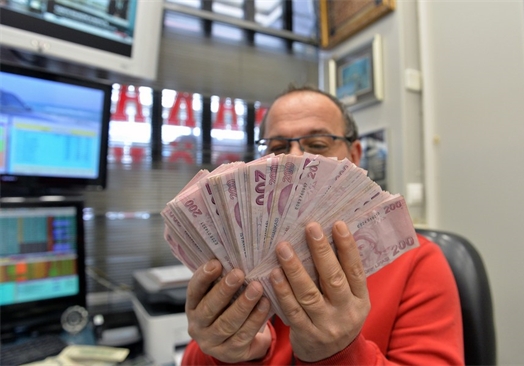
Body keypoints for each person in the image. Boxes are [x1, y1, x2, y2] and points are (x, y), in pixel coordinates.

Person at [181, 85, 464, 365]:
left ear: (354, 156)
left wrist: (339, 352)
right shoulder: (238, 260)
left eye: (317, 145)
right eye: (278, 147)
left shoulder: (417, 262)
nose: (294, 159)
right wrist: (223, 353)